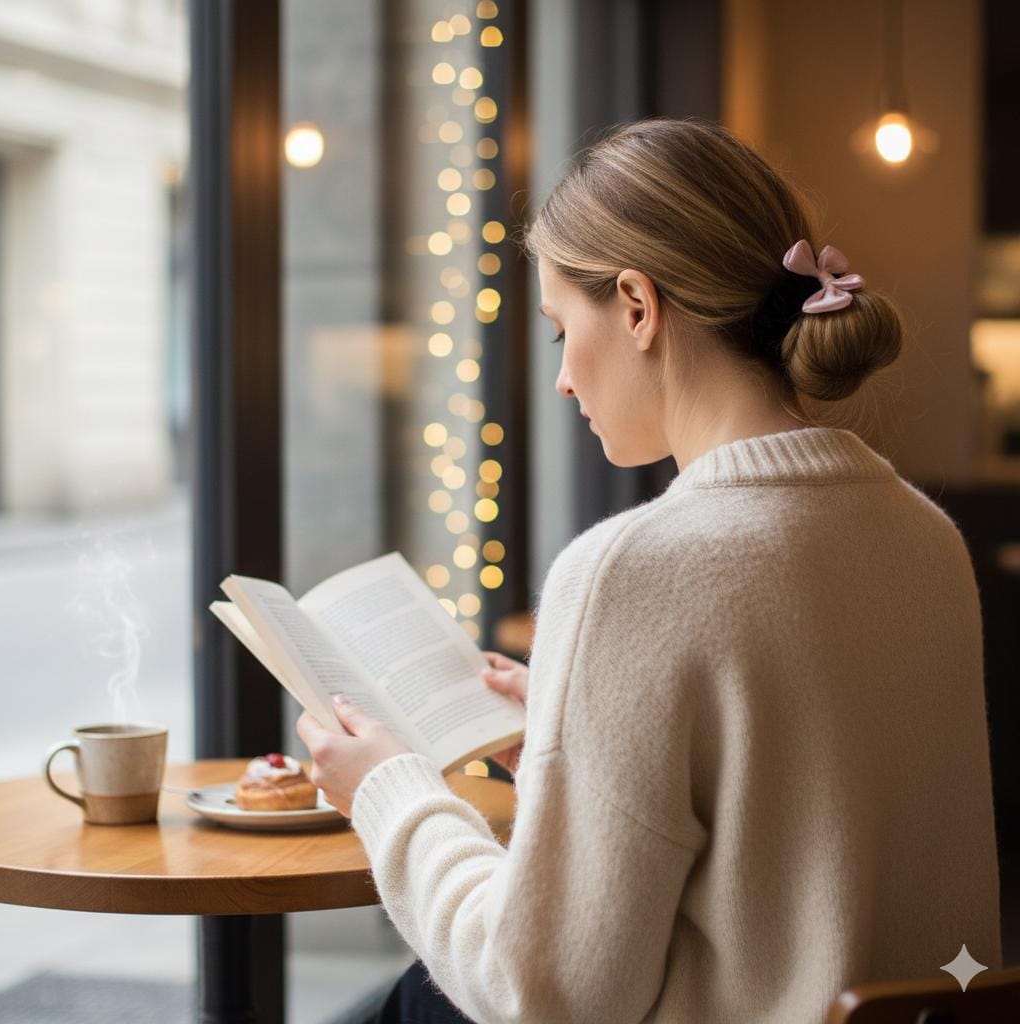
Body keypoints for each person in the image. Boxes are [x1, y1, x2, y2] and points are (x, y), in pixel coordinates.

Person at [297, 117, 1002, 1023]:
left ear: (636, 304)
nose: (562, 382)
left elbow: (544, 995)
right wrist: (567, 742)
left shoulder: (630, 570)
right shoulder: (925, 536)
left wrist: (391, 793)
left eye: (559, 332)